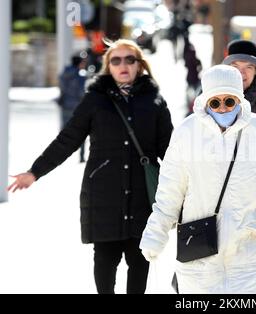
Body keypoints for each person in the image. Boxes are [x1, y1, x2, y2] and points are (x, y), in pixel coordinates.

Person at [8, 39, 174, 294]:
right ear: (108, 66)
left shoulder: (155, 101)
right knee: (105, 260)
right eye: (116, 60)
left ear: (140, 65)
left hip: (143, 195)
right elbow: (68, 140)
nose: (123, 65)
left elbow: (171, 152)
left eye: (130, 59)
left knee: (140, 261)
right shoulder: (95, 101)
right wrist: (35, 172)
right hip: (103, 193)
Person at [139, 65, 256, 293]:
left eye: (229, 101)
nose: (223, 108)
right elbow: (170, 191)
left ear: (239, 100)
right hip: (200, 256)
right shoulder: (187, 132)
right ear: (205, 101)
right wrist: (155, 234)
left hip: (249, 252)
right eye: (215, 102)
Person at [58, 52, 88, 162]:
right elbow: (81, 92)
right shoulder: (81, 76)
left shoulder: (64, 74)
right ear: (79, 63)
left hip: (65, 104)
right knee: (81, 131)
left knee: (64, 131)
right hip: (77, 107)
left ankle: (60, 154)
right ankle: (81, 156)